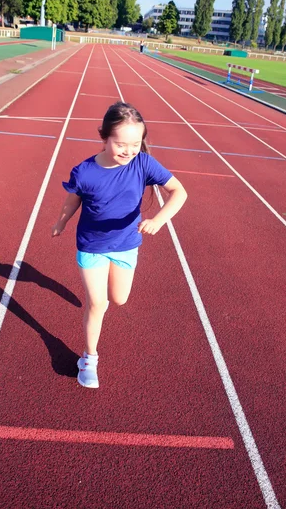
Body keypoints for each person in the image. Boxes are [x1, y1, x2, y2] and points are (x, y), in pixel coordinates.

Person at [52, 102, 187, 388]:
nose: (128, 151)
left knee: (120, 299)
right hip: (91, 245)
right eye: (121, 144)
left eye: (136, 144)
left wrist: (159, 220)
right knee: (98, 304)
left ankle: (96, 319)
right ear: (104, 138)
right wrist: (61, 222)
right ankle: (89, 359)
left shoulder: (143, 163)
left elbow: (179, 192)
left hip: (126, 244)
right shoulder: (85, 171)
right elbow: (73, 200)